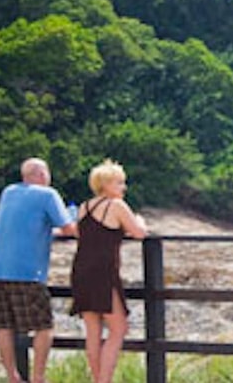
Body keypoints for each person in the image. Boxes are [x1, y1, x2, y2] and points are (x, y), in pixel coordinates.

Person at [0, 157, 78, 383]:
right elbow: (69, 228)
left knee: (4, 326)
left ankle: (12, 377)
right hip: (27, 272)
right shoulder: (47, 194)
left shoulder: (9, 191)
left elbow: (27, 224)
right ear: (42, 174)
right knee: (43, 326)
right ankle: (38, 378)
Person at [69, 159, 148, 383]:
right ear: (106, 184)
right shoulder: (116, 206)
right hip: (103, 271)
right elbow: (139, 232)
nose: (123, 187)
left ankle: (98, 379)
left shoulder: (85, 207)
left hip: (81, 270)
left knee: (93, 332)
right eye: (119, 182)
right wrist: (141, 220)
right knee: (118, 329)